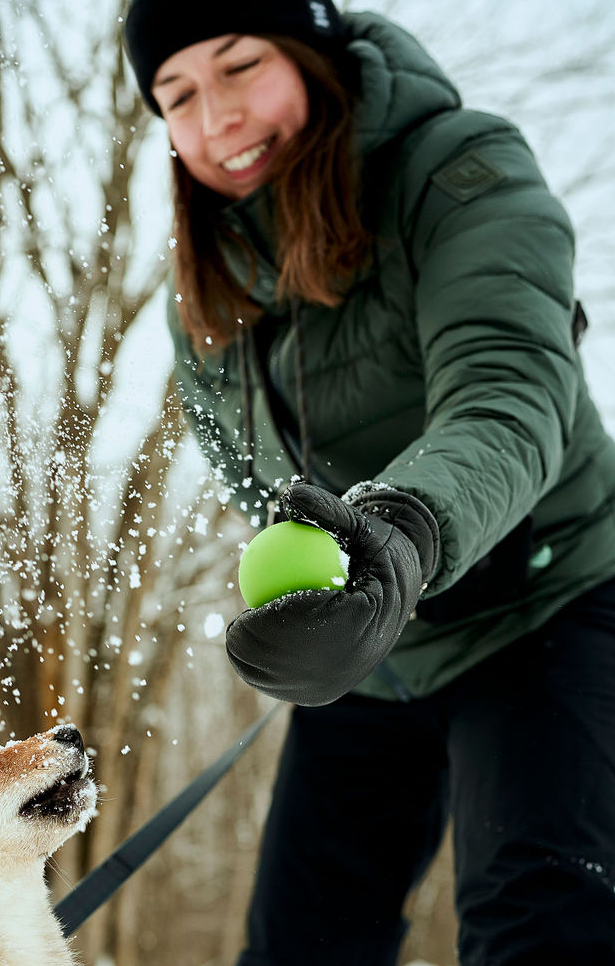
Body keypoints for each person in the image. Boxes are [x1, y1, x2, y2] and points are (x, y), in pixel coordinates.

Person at [122, 1, 615, 963]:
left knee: (539, 924)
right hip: (378, 650)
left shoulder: (460, 171)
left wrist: (394, 533)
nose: (215, 117)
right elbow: (257, 482)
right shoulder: (208, 295)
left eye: (239, 65)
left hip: (546, 605)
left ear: (313, 54)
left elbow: (509, 394)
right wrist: (321, 605)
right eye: (177, 95)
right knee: (300, 944)